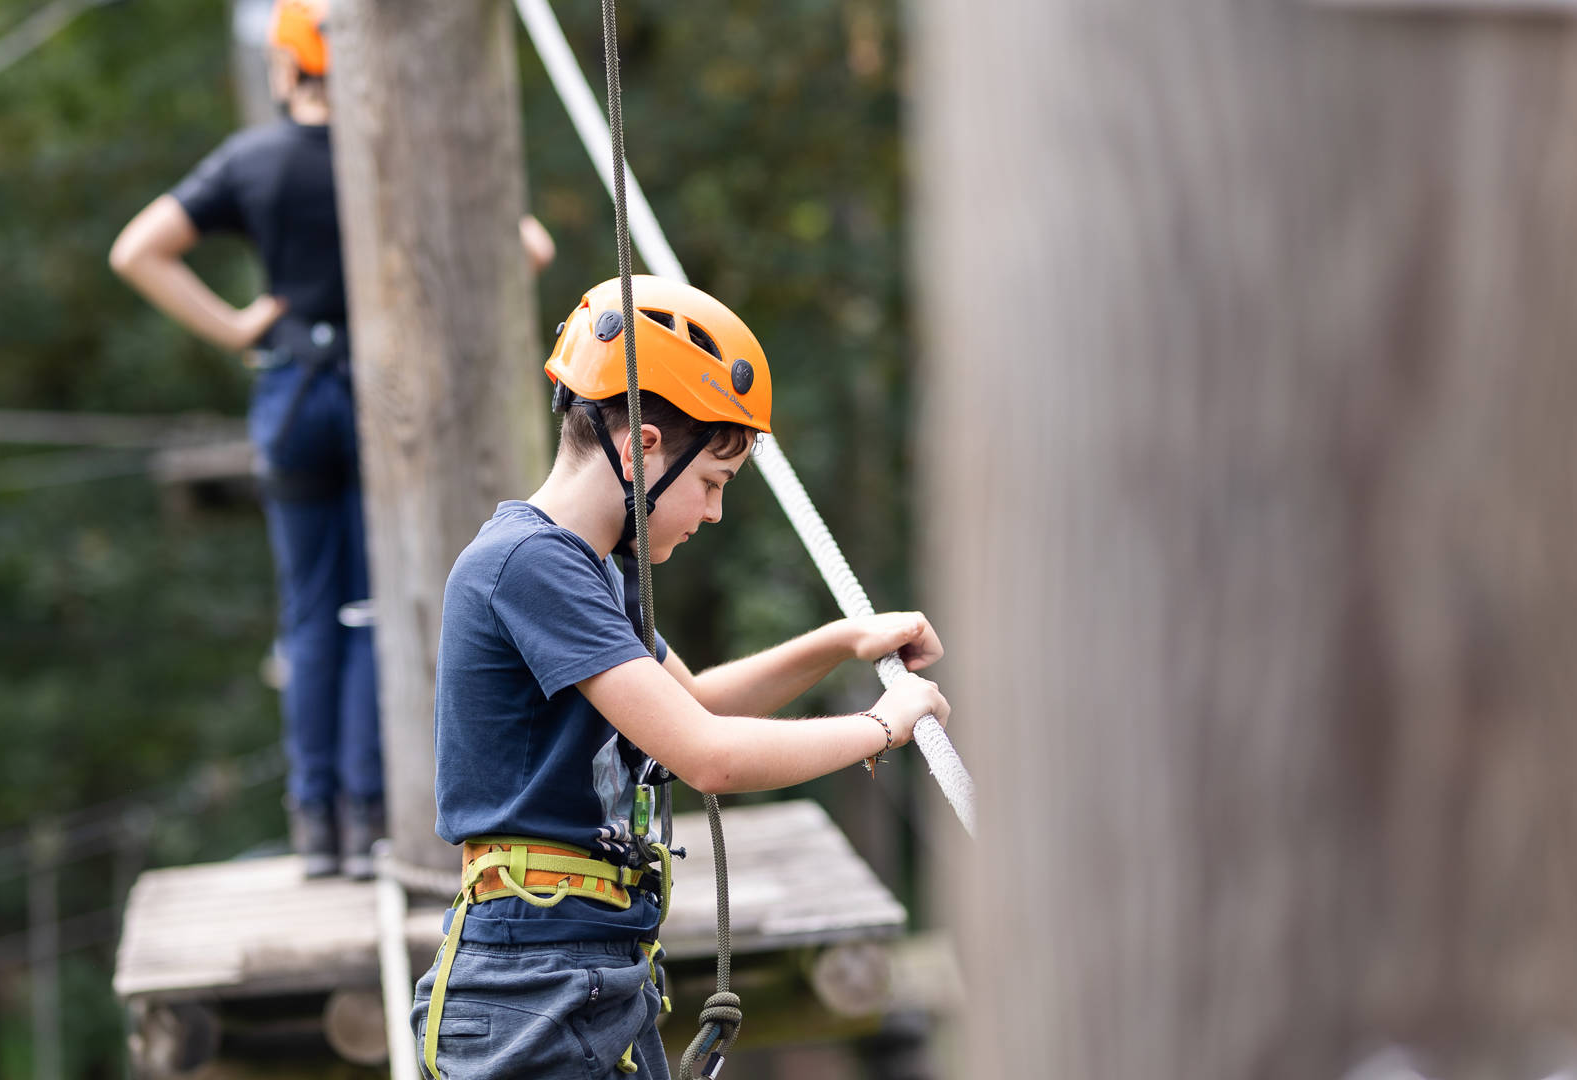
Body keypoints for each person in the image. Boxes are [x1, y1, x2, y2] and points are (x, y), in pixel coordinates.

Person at [412, 275, 952, 1078]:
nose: (713, 512)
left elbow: (692, 702)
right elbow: (709, 756)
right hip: (530, 983)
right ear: (641, 447)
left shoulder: (598, 568)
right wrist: (883, 725)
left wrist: (840, 642)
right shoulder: (528, 565)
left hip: (589, 972)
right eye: (711, 483)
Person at [108, 0, 555, 879]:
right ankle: (370, 817)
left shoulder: (253, 160)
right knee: (377, 609)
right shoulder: (393, 154)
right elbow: (529, 247)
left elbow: (137, 251)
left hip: (294, 393)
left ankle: (315, 824)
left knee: (313, 611)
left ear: (287, 67)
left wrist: (237, 326)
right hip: (386, 400)